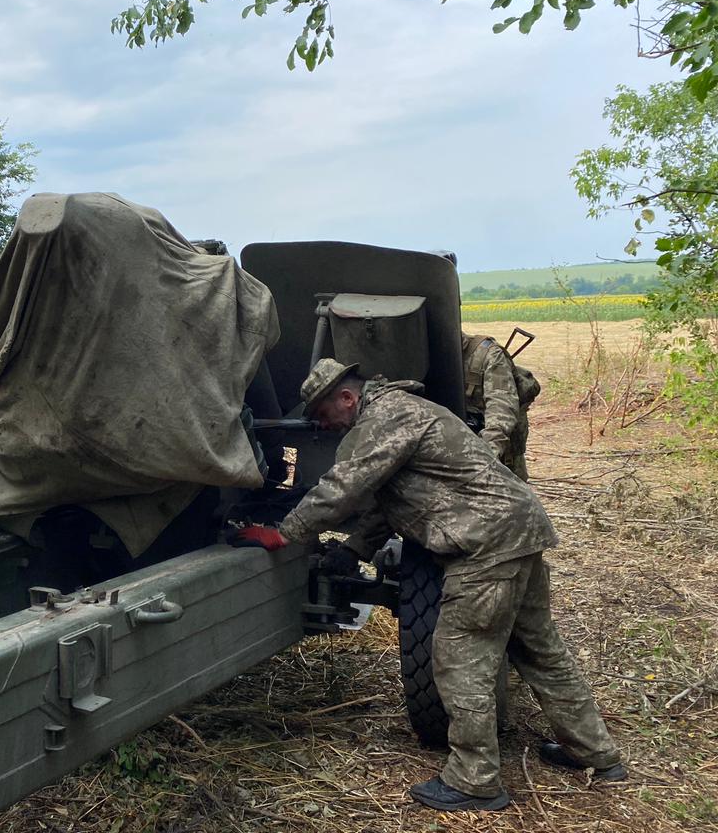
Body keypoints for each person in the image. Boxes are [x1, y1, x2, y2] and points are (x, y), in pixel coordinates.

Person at [231, 358, 625, 812]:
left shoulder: (387, 416)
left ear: (346, 397)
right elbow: (389, 502)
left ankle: (475, 781)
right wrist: (354, 550)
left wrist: (285, 532)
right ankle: (593, 751)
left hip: (486, 544)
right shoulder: (402, 413)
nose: (324, 425)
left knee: (461, 657)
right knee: (539, 649)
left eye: (323, 414)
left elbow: (346, 487)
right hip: (516, 530)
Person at [462, 331, 530, 479]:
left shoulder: (488, 354)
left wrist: (488, 453)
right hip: (460, 445)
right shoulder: (426, 355)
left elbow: (502, 406)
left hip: (498, 448)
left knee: (511, 495)